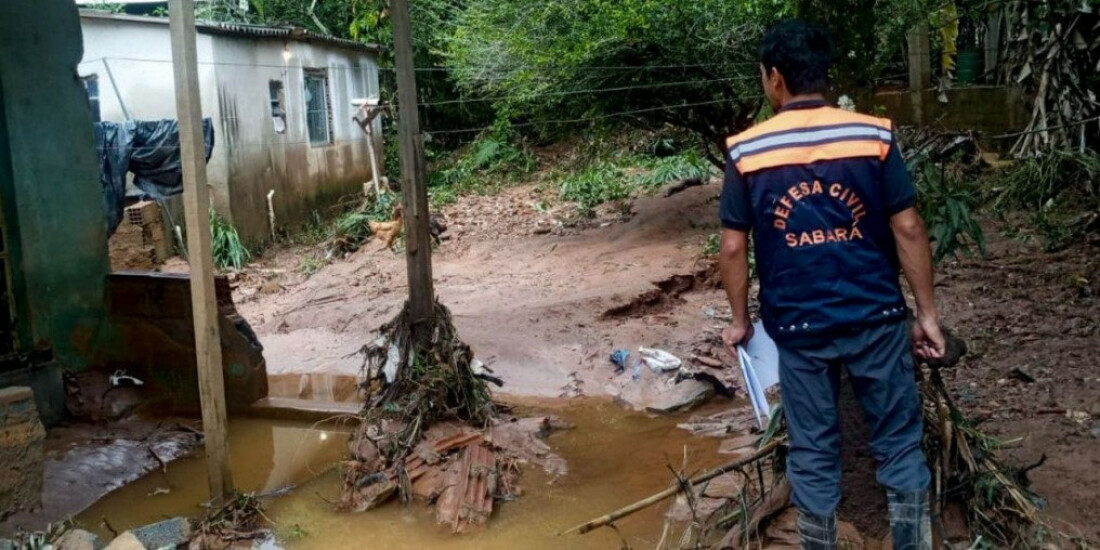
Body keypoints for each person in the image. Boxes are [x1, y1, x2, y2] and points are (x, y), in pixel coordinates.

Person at [717, 19, 946, 550]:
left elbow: (733, 247)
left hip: (799, 328)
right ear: (823, 73)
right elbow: (907, 226)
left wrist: (740, 322)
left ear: (774, 78)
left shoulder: (747, 150)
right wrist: (927, 314)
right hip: (877, 319)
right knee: (898, 446)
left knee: (814, 454)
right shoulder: (873, 135)